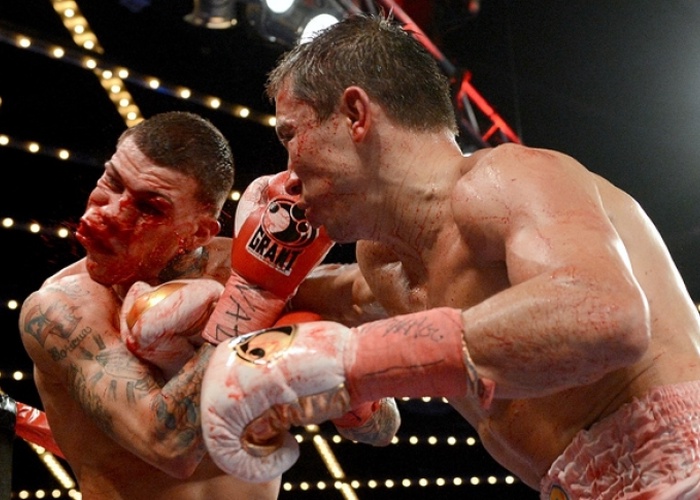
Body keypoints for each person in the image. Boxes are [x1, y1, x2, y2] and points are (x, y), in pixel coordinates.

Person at [199, 14, 700, 499]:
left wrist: (351, 362)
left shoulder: (506, 178)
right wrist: (244, 276)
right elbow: (338, 297)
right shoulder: (385, 262)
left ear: (355, 114)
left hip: (681, 463)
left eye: (290, 135)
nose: (287, 174)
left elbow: (606, 312)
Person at [17, 111, 281, 499]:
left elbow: (363, 300)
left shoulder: (247, 267)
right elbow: (170, 447)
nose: (111, 213)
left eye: (150, 207)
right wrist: (252, 297)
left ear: (199, 233)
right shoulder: (62, 309)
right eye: (112, 182)